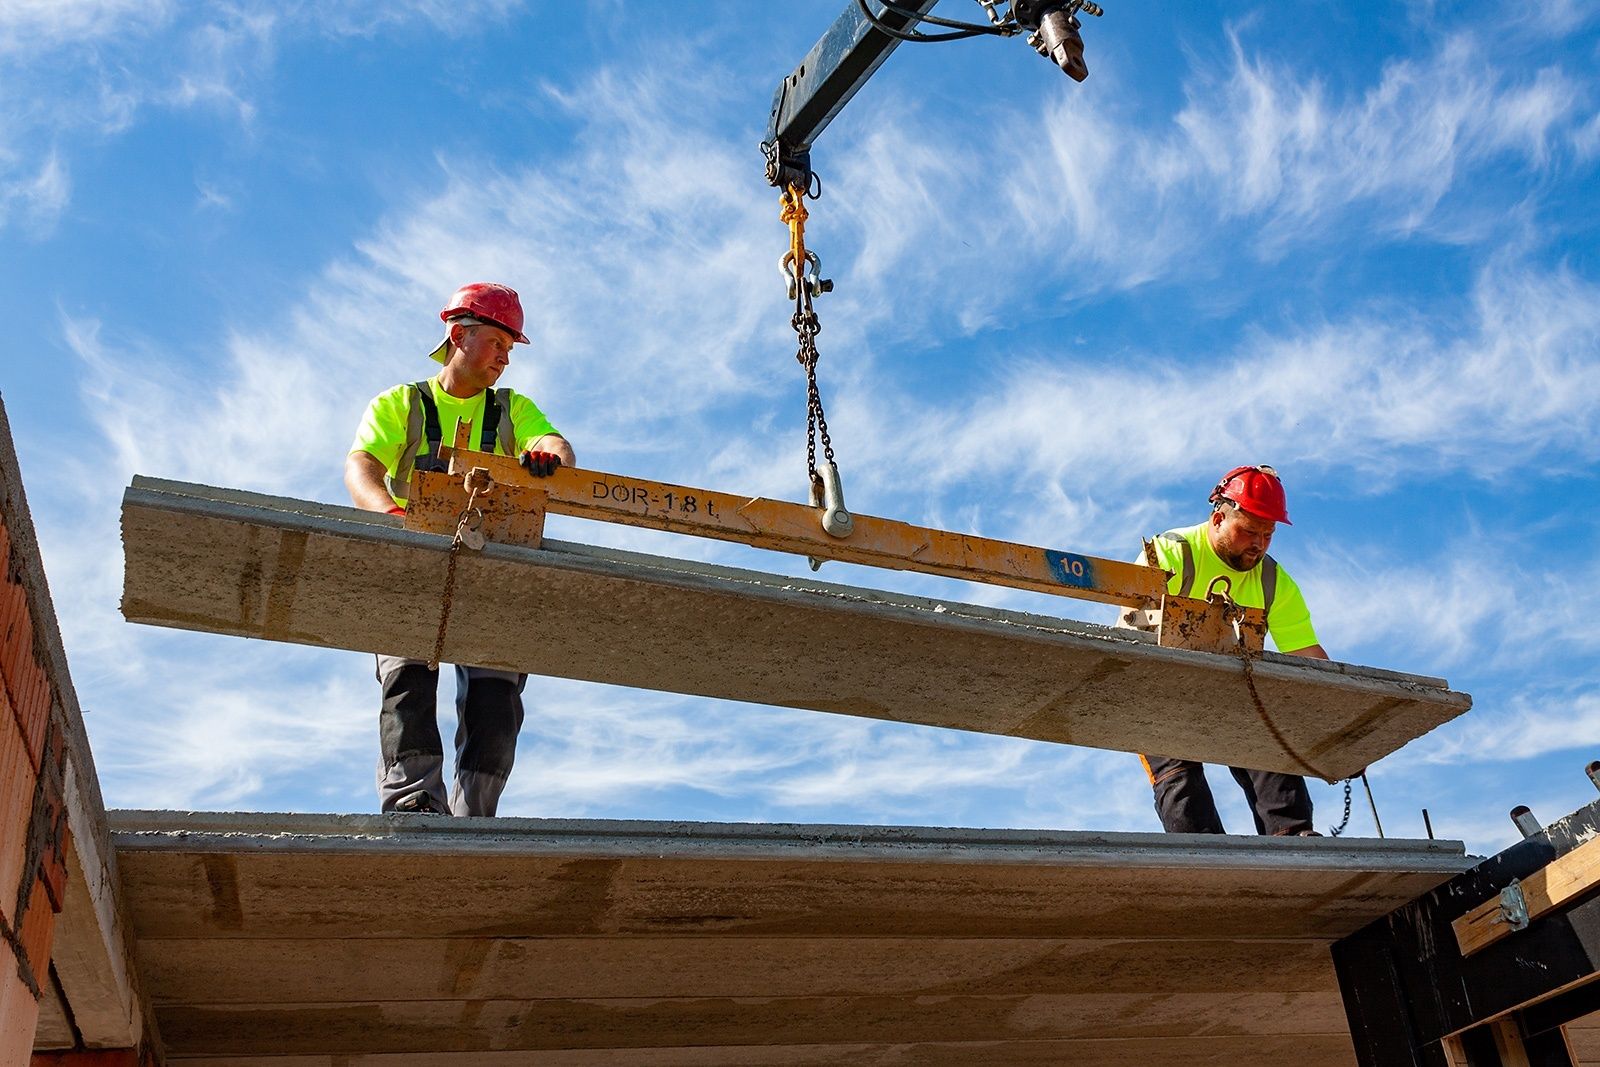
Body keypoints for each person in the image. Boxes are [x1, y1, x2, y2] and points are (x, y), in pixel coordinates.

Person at [345, 282, 575, 816]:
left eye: (510, 349)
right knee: (408, 682)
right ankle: (414, 803)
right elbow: (363, 467)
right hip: (413, 563)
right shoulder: (404, 403)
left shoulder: (512, 409)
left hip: (491, 571)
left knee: (497, 700)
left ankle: (476, 817)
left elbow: (553, 444)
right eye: (498, 343)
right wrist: (390, 516)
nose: (505, 358)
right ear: (459, 336)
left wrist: (547, 456)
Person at [1120, 464, 1330, 836]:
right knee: (1180, 781)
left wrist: (1340, 729)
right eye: (1249, 531)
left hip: (1230, 695)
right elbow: (1134, 633)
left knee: (1270, 745)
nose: (1259, 545)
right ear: (1218, 519)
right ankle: (1205, 857)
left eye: (1268, 535)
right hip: (1158, 688)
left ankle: (1294, 844)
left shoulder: (1272, 580)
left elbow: (1308, 657)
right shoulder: (1170, 553)